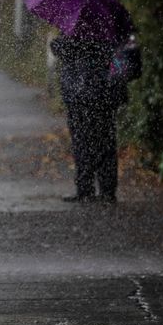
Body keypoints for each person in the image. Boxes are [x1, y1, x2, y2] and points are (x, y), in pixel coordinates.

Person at [51, 33, 119, 203]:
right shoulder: (109, 29)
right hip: (104, 95)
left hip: (80, 95)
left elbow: (59, 49)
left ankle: (85, 190)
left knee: (82, 143)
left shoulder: (74, 27)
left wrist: (62, 39)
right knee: (105, 143)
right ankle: (106, 191)